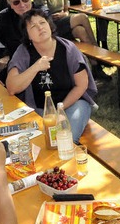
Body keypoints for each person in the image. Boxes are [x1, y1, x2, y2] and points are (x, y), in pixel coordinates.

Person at [6, 9, 97, 144]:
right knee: (38, 142)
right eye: (33, 26)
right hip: (39, 110)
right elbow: (12, 87)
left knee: (66, 139)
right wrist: (36, 67)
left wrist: (60, 108)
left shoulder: (68, 49)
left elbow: (82, 85)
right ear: (28, 35)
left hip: (71, 105)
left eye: (42, 22)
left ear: (50, 25)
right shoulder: (23, 52)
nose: (40, 27)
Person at [33, 0, 109, 79]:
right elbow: (44, 15)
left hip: (63, 19)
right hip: (52, 25)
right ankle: (97, 49)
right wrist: (61, 15)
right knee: (83, 17)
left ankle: (95, 67)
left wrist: (64, 14)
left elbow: (66, 9)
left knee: (82, 31)